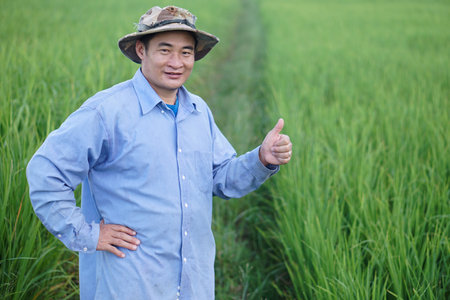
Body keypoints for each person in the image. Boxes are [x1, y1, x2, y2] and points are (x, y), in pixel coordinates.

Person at [26, 5, 292, 300]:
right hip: (130, 286)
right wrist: (88, 234)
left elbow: (220, 178)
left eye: (186, 52)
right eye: (165, 50)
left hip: (194, 284)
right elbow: (45, 172)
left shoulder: (198, 112)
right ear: (141, 50)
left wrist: (261, 159)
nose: (176, 62)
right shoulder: (107, 112)